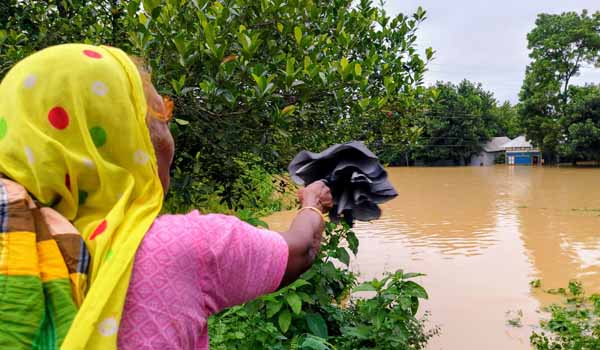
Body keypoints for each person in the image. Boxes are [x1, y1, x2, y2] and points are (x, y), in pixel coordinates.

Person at [0, 44, 332, 349]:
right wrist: (312, 204)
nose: (168, 132)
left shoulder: (12, 244)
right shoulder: (183, 245)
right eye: (163, 115)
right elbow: (299, 250)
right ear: (127, 134)